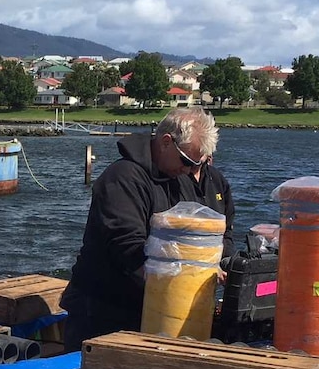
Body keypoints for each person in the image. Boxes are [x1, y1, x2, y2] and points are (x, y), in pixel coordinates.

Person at [61, 107, 219, 352]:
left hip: (153, 310)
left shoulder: (182, 180)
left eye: (197, 164)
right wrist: (175, 282)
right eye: (188, 161)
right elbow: (126, 246)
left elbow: (192, 237)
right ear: (166, 142)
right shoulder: (122, 178)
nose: (191, 170)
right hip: (102, 312)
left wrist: (207, 268)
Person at [180, 155, 236, 262]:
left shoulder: (217, 178)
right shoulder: (175, 176)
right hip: (185, 263)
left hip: (217, 261)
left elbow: (228, 225)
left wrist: (227, 258)